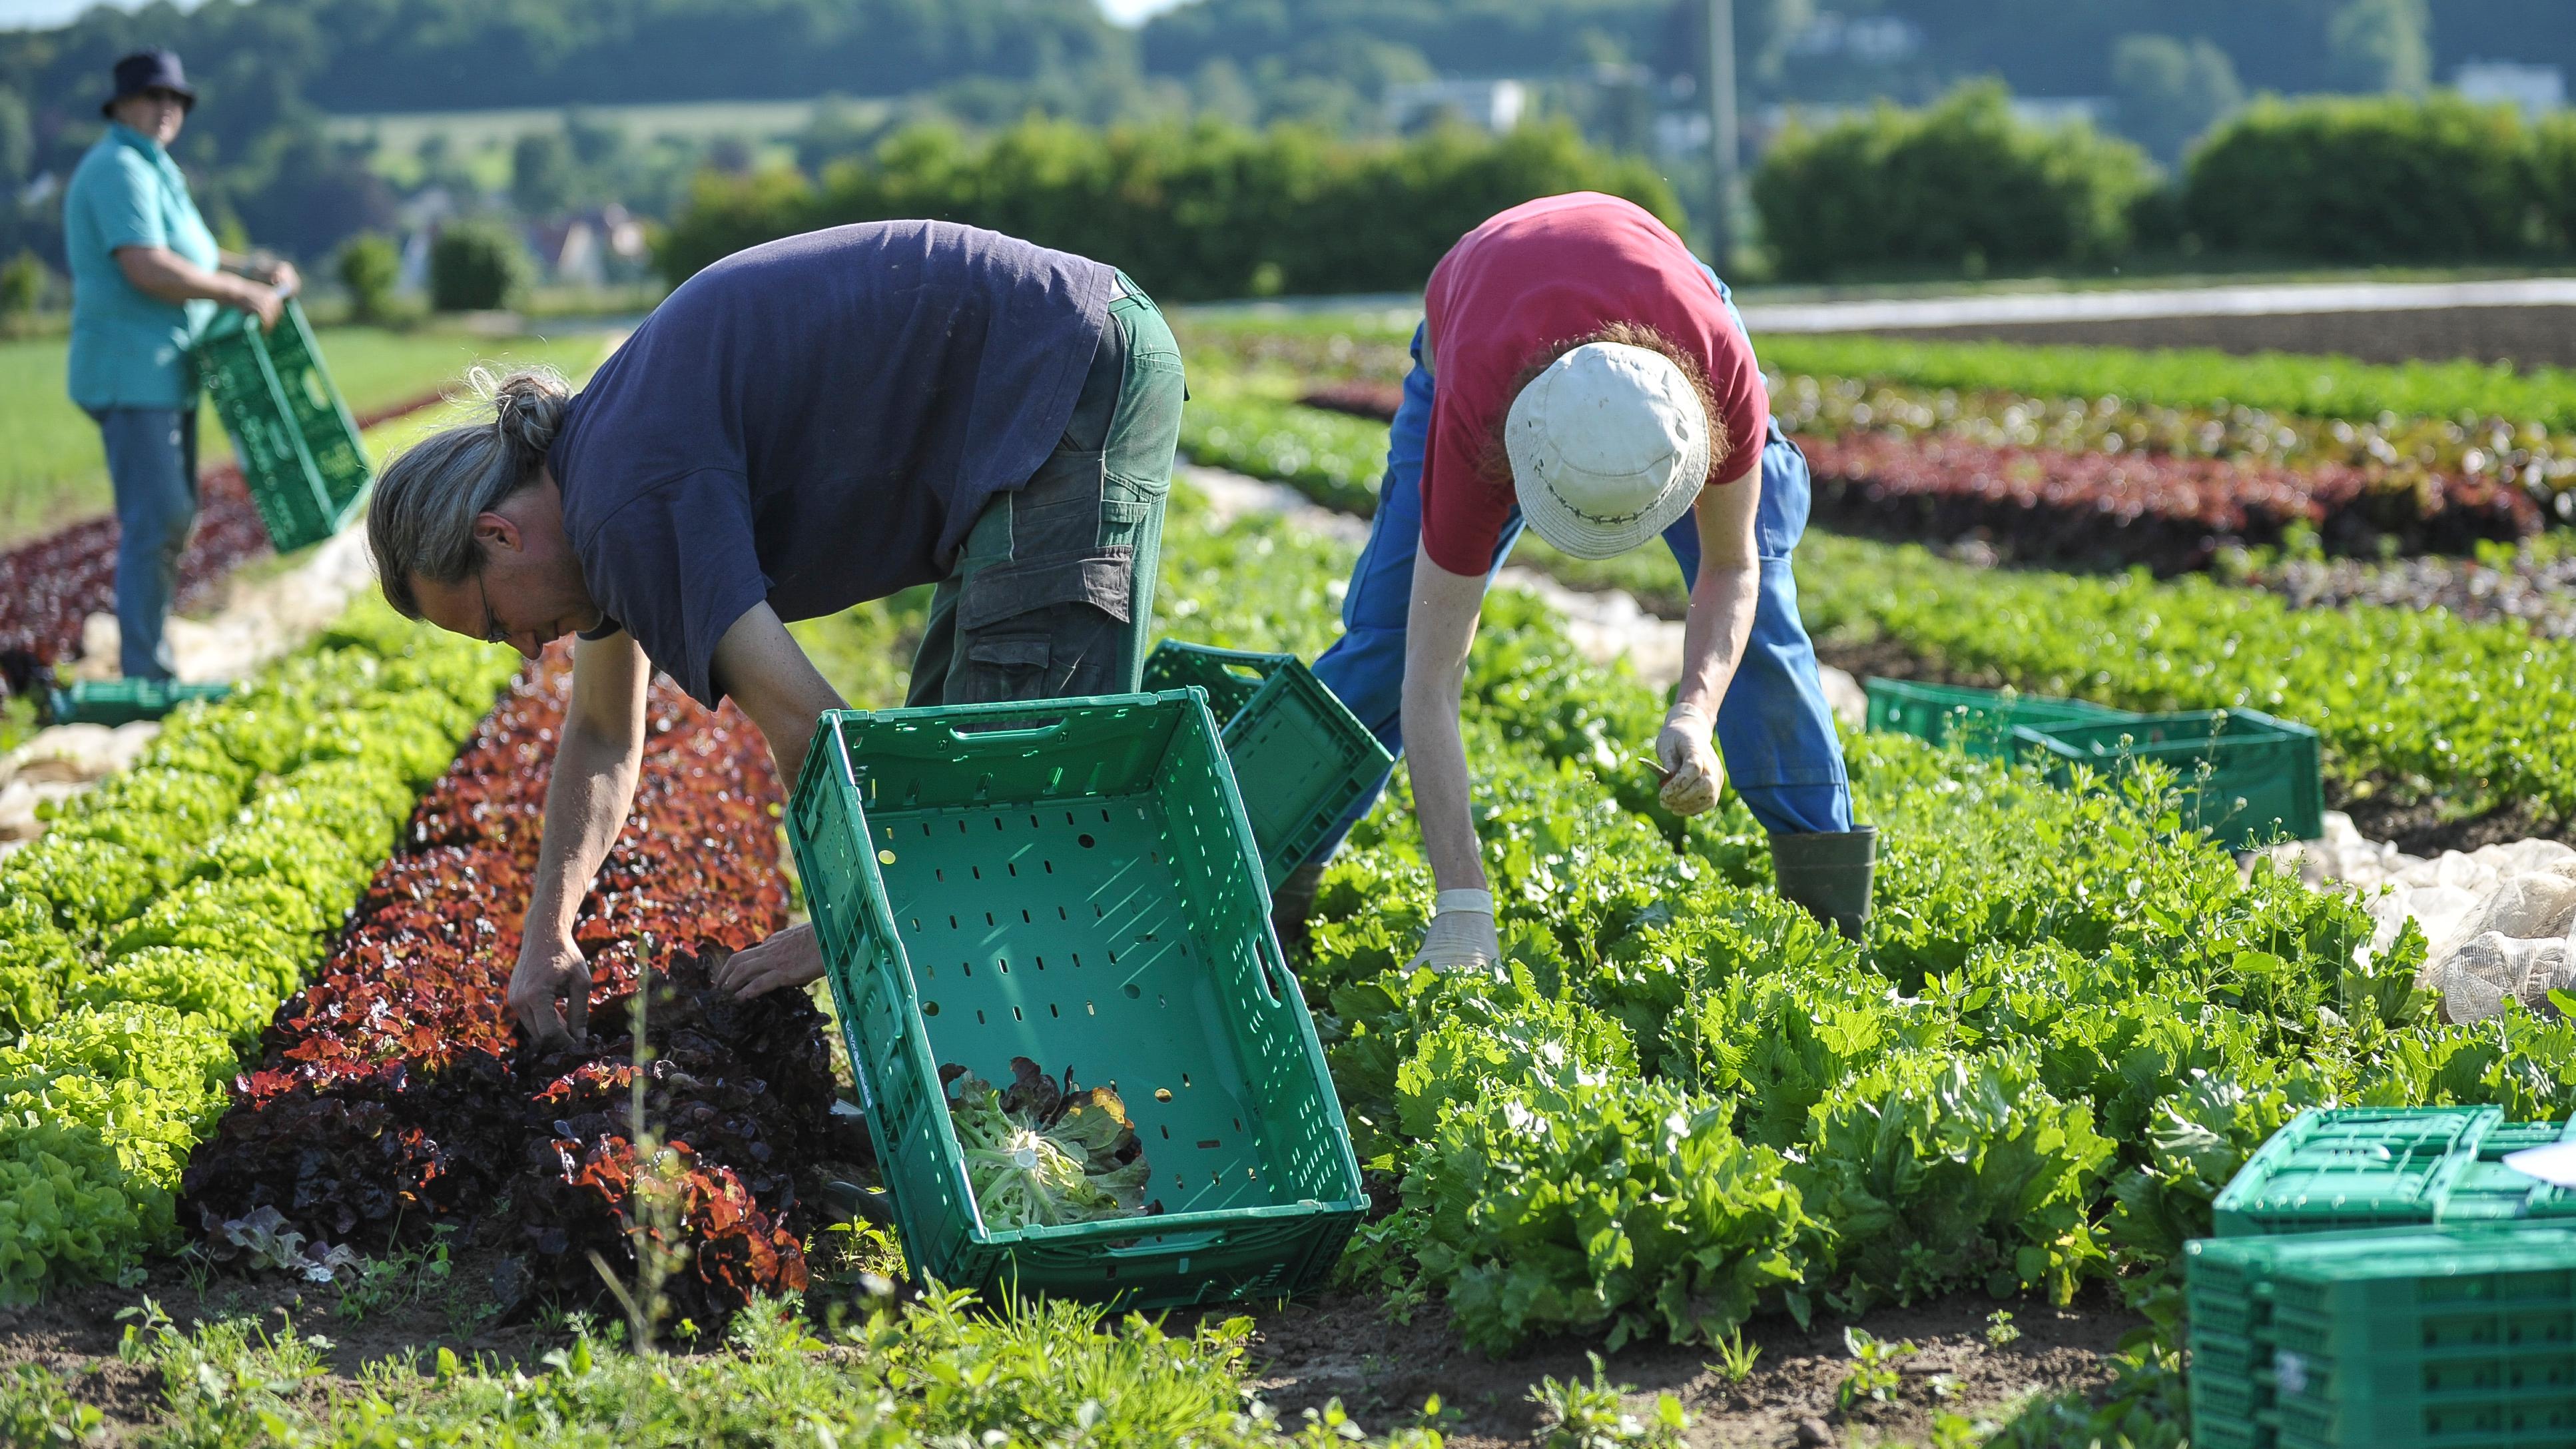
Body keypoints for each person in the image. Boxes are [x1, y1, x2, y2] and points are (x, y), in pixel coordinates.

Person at [366, 221, 1184, 1045]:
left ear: (498, 534)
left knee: (1004, 805)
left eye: (495, 624)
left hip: (1059, 371)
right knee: (951, 789)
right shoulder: (598, 485)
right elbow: (603, 730)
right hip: (1043, 366)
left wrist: (841, 923)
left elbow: (809, 726)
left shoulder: (620, 505)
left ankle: (1064, 1082)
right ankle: (993, 1079)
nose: (526, 648)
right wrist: (548, 929)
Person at [1291, 191, 1874, 971]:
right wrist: (1463, 896)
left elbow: (1731, 567)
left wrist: (1695, 713)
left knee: (1760, 628)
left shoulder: (1718, 381)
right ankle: (1271, 881)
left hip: (1667, 309)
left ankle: (1828, 921)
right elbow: (1428, 680)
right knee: (1392, 640)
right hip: (1476, 317)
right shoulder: (1477, 429)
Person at [63, 48, 297, 680]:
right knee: (158, 515)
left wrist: (249, 267)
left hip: (164, 372)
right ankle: (145, 670)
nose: (168, 109)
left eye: (177, 100)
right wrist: (238, 293)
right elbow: (146, 266)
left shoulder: (152, 166)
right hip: (129, 371)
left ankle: (151, 657)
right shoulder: (118, 168)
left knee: (170, 515)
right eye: (154, 97)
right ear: (122, 106)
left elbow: (190, 250)